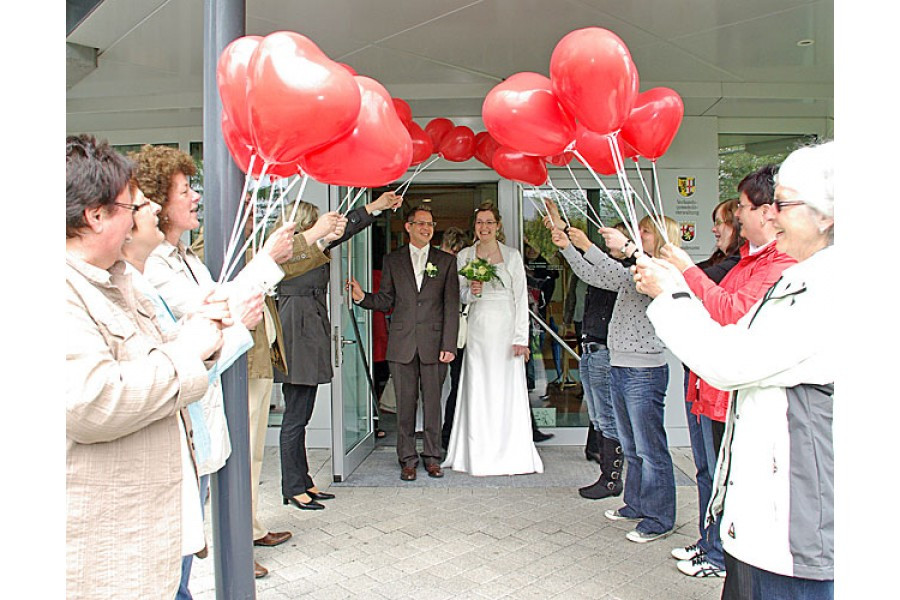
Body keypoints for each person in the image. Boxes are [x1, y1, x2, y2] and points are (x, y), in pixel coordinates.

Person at [633, 141, 835, 600]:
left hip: (795, 529)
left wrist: (668, 296)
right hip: (765, 522)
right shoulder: (798, 276)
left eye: (782, 204)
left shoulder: (827, 292)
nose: (770, 216)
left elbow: (730, 360)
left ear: (825, 216)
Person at [133, 144, 335, 582]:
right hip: (199, 388)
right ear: (154, 204)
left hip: (235, 369)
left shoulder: (187, 256)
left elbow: (218, 304)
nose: (199, 198)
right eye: (187, 189)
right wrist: (268, 262)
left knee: (242, 458)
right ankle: (234, 543)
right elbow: (214, 308)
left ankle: (245, 533)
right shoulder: (156, 265)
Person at [66, 135, 226, 599]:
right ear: (96, 216)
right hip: (109, 545)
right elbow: (93, 401)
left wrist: (204, 337)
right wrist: (191, 350)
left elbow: (167, 348)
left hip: (146, 526)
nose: (145, 217)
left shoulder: (120, 278)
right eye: (133, 208)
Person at [659, 168, 796, 584]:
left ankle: (721, 551)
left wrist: (681, 270)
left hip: (731, 389)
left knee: (729, 477)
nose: (735, 218)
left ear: (770, 212)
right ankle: (712, 543)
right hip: (708, 386)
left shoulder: (781, 265)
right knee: (710, 473)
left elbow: (729, 312)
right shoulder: (749, 261)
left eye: (740, 208)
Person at [550, 213, 679, 543]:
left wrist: (588, 246)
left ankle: (659, 517)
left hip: (643, 370)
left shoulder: (661, 273)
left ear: (662, 239)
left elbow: (612, 272)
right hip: (621, 366)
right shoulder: (632, 271)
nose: (638, 237)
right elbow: (598, 275)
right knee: (633, 445)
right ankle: (635, 504)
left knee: (651, 449)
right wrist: (570, 248)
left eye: (645, 233)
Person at [276, 192, 402, 509]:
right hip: (297, 336)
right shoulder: (287, 254)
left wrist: (375, 207)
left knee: (301, 416)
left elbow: (348, 228)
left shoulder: (312, 249)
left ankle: (303, 481)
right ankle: (292, 486)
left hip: (309, 333)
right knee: (294, 418)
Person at [349, 204, 459, 481]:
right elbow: (387, 299)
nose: (427, 228)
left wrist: (449, 344)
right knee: (405, 406)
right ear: (408, 227)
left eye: (430, 224)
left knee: (434, 405)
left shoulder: (445, 261)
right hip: (402, 344)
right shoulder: (393, 260)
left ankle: (433, 457)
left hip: (435, 344)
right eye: (421, 223)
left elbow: (451, 305)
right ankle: (407, 459)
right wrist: (363, 298)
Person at [441, 203, 544, 476]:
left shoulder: (511, 256)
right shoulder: (464, 256)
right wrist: (472, 291)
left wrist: (521, 337)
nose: (484, 227)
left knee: (505, 388)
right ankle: (475, 452)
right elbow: (459, 296)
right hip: (478, 329)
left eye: (489, 222)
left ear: (497, 226)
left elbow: (521, 298)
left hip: (507, 329)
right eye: (479, 223)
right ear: (474, 227)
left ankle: (509, 450)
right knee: (478, 387)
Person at [544, 203, 621, 498]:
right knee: (599, 415)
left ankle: (612, 476)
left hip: (605, 350)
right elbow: (585, 271)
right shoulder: (605, 270)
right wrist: (564, 243)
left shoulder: (624, 271)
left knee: (607, 415)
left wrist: (580, 244)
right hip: (591, 347)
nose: (609, 243)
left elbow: (596, 270)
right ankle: (607, 472)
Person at [438, 226, 472, 449]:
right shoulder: (434, 265)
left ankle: (450, 433)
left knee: (460, 384)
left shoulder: (465, 267)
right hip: (437, 331)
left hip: (461, 332)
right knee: (438, 386)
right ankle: (445, 434)